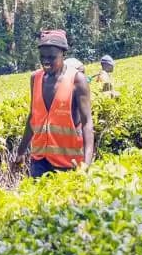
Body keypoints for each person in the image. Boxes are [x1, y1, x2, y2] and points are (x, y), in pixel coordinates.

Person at [11, 29, 95, 178]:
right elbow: (33, 117)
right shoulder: (35, 78)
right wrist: (21, 151)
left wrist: (86, 164)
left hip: (68, 163)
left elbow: (87, 123)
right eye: (42, 57)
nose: (46, 62)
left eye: (51, 57)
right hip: (39, 159)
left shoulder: (78, 81)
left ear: (64, 55)